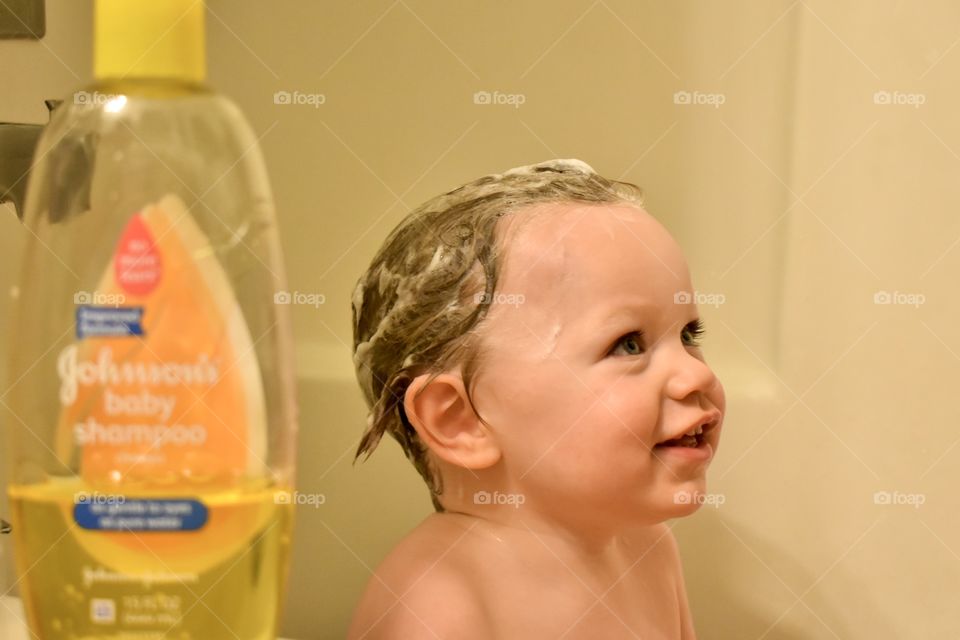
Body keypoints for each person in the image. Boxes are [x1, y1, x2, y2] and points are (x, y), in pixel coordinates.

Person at [347, 159, 725, 639]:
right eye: (628, 343)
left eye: (690, 334)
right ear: (460, 419)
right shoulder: (440, 601)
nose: (697, 373)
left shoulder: (650, 550)